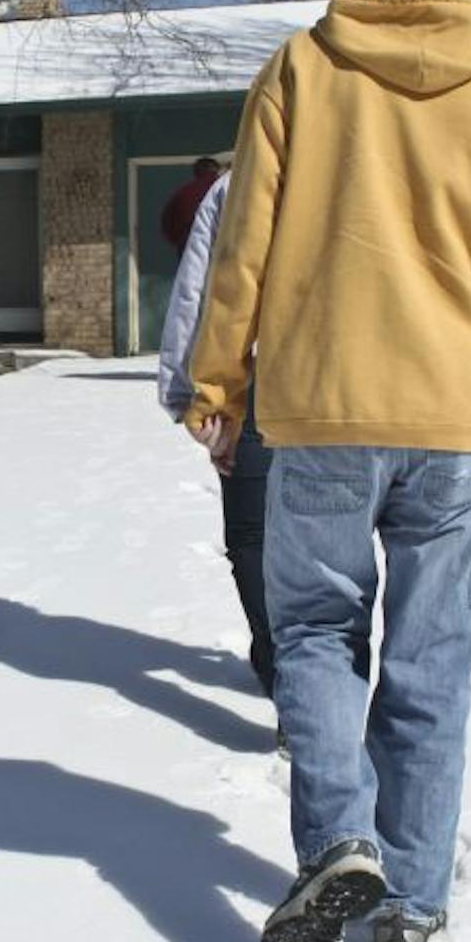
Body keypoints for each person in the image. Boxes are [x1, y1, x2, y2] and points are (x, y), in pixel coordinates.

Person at [182, 0, 471, 942]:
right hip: (457, 424)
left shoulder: (303, 70)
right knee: (432, 663)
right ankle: (409, 905)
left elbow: (241, 244)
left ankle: (339, 840)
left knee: (313, 631)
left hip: (319, 413)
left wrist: (218, 386)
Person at [156, 166, 277, 713]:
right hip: (345, 390)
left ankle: (285, 672)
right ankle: (323, 687)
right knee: (329, 548)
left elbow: (198, 291)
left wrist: (189, 391)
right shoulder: (360, 163)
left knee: (253, 535)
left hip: (250, 383)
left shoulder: (239, 183)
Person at [158, 156, 221, 254]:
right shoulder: (225, 189)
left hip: (189, 244)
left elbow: (167, 221)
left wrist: (180, 241)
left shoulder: (182, 193)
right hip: (221, 244)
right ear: (217, 170)